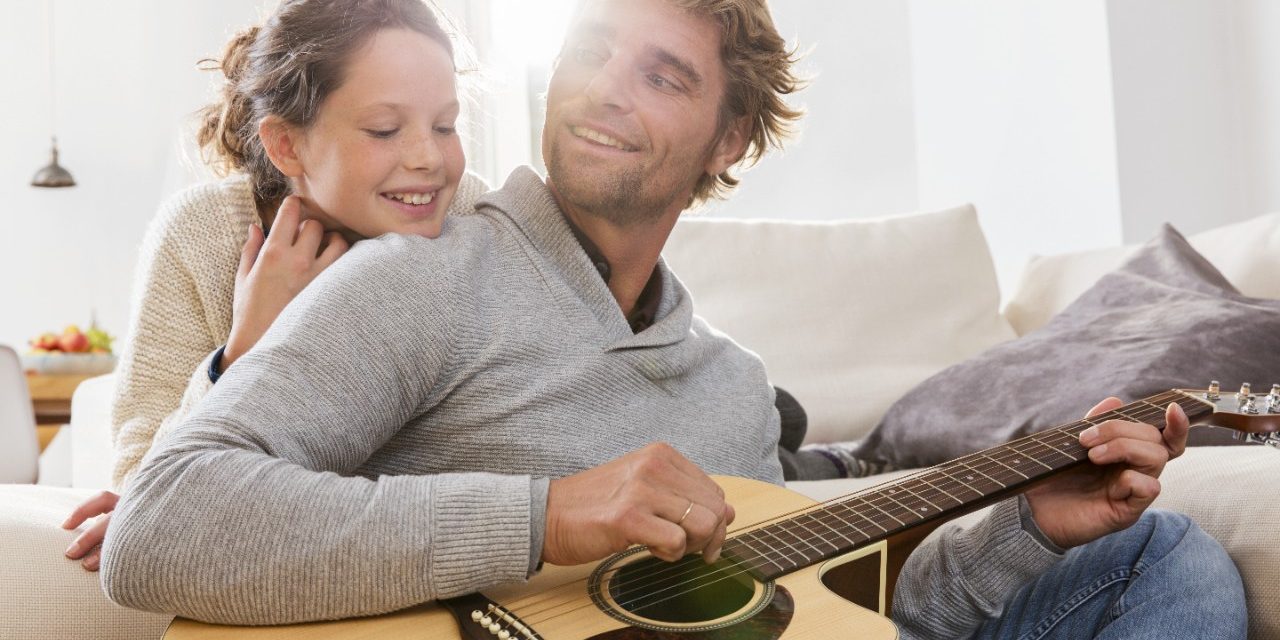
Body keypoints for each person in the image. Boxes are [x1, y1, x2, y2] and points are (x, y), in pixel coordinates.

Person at [101, 0, 1246, 638]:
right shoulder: (421, 277)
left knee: (1162, 554)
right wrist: (546, 515)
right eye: (592, 48)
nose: (604, 86)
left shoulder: (731, 386)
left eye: (661, 76)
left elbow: (826, 618)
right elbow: (164, 525)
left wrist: (1029, 527)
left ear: (728, 140)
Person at [60, 0, 488, 571]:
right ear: (287, 145)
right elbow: (146, 488)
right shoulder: (203, 236)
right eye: (385, 129)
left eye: (445, 125)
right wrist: (247, 349)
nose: (429, 158)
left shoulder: (473, 218)